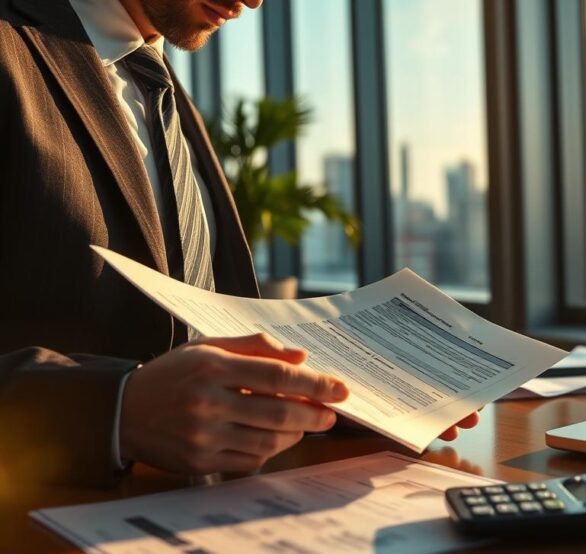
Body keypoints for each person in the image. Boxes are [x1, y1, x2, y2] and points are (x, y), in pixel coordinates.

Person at [0, 0, 479, 487]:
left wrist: (328, 396)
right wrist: (117, 411)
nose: (253, 1)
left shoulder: (152, 82)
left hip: (205, 505)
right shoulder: (13, 45)